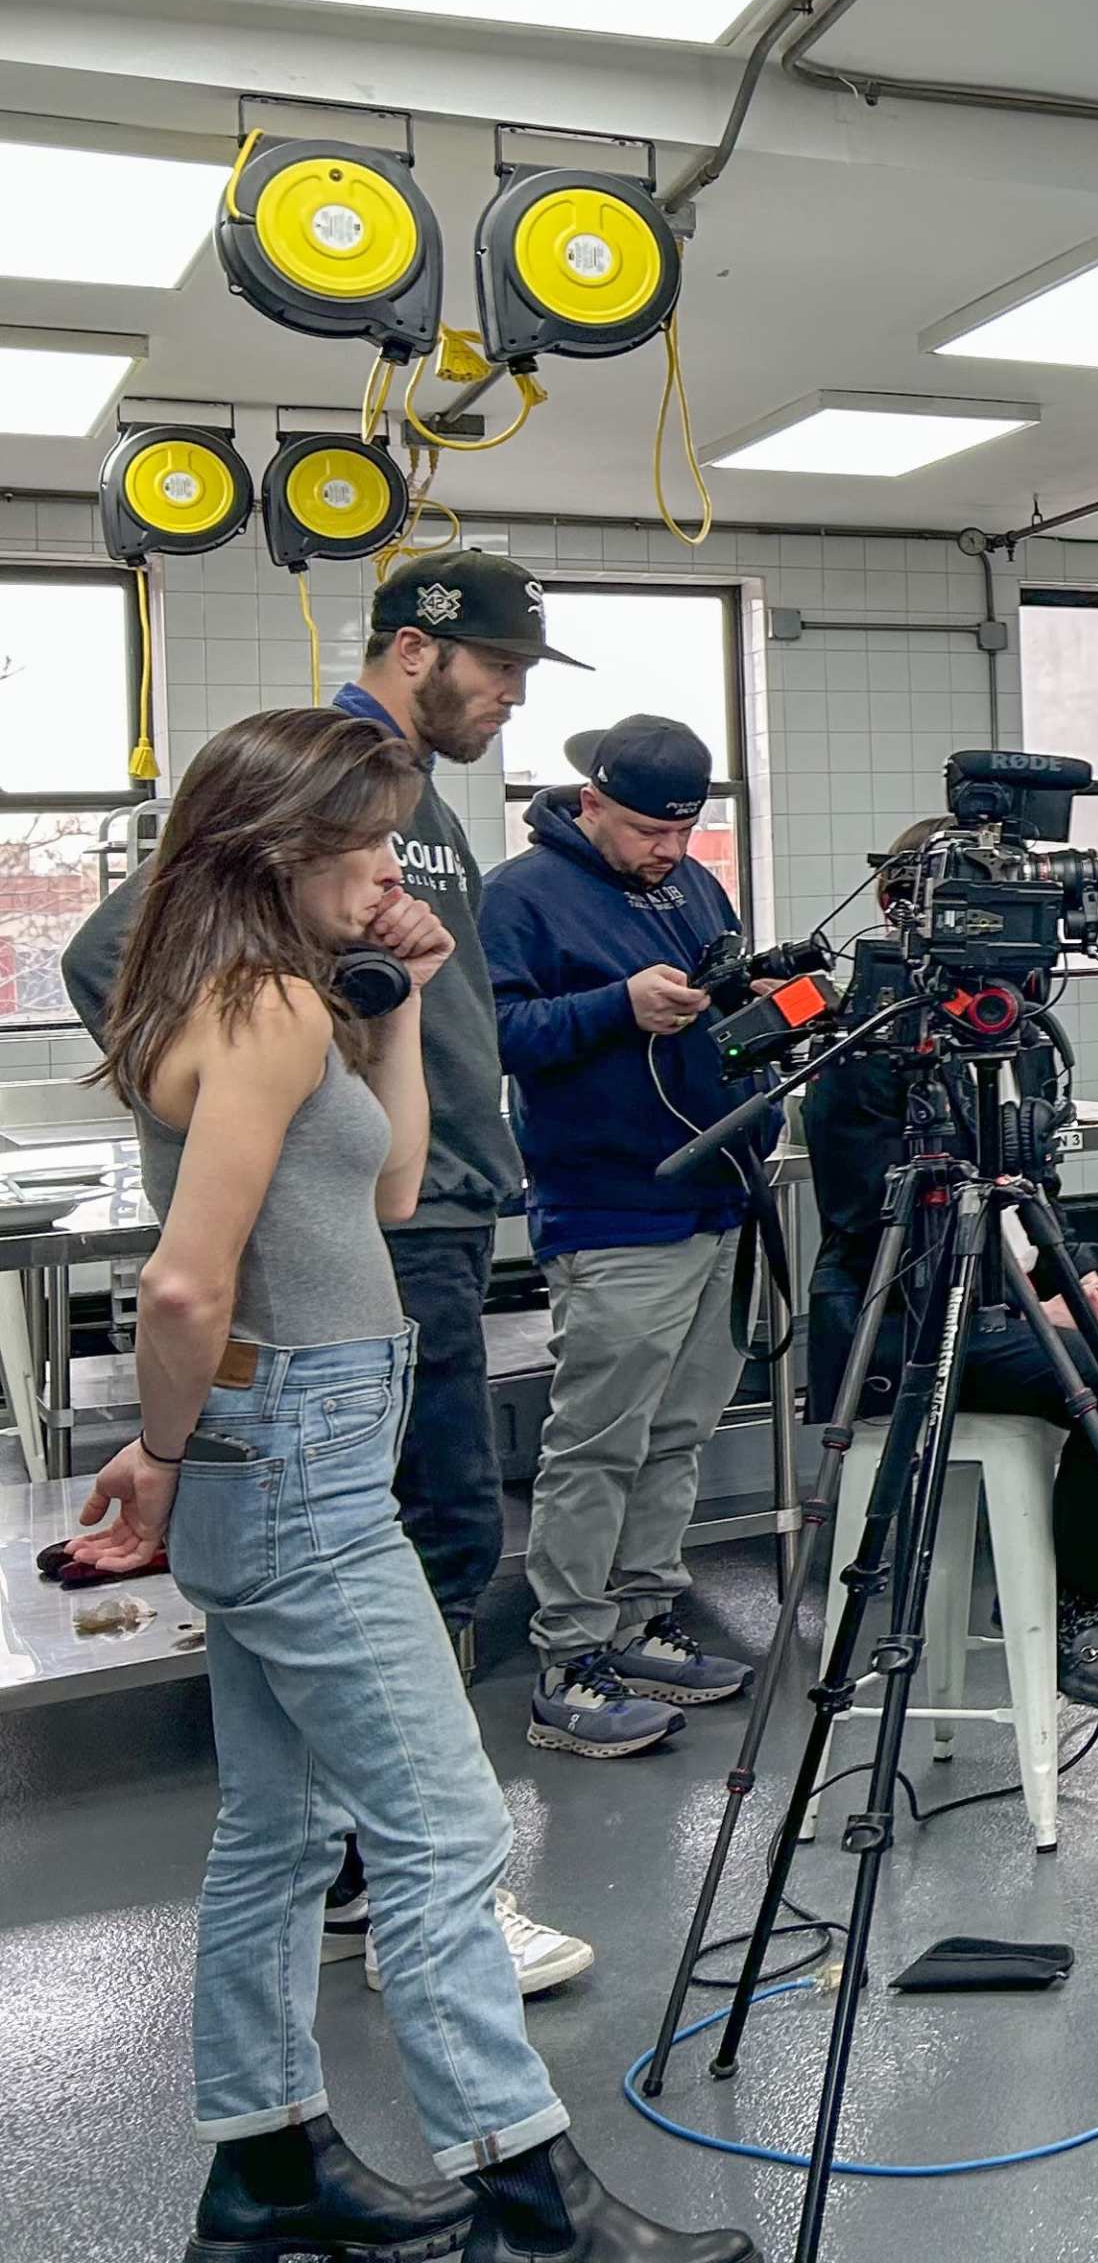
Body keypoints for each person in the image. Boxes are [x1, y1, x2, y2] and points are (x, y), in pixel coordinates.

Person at [73, 708, 753, 2263]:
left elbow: (384, 1190)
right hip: (295, 1458)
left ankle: (268, 2169)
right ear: (286, 848)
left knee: (278, 1834)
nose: (394, 865)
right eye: (373, 839)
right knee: (443, 1839)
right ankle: (529, 2201)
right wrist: (167, 1461)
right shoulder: (259, 1010)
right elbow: (185, 1292)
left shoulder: (262, 998)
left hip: (289, 1441)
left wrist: (400, 1008)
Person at [60, 547, 593, 1999]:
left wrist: (375, 1037)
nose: (511, 696)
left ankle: (370, 1864)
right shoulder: (318, 794)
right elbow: (125, 943)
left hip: (424, 1209)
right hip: (362, 1251)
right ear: (422, 648)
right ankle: (421, 1874)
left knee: (434, 1540)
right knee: (426, 1547)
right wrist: (234, 1103)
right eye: (502, 668)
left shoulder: (419, 821)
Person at [801, 820, 1098, 1712]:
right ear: (909, 911)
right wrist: (1034, 1312)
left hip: (1013, 1299)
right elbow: (886, 1234)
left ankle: (1087, 1572)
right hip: (914, 1327)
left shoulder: (1014, 1040)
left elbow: (1030, 1200)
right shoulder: (873, 1049)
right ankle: (1074, 1608)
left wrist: (1084, 1280)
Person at [483, 714, 773, 1757]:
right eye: (650, 831)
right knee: (600, 1441)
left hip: (712, 1195)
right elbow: (494, 1034)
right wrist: (615, 1007)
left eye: (683, 832)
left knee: (679, 1432)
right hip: (610, 1206)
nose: (669, 852)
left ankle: (646, 1615)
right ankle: (568, 1655)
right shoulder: (517, 898)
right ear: (589, 803)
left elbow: (729, 998)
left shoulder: (690, 884)